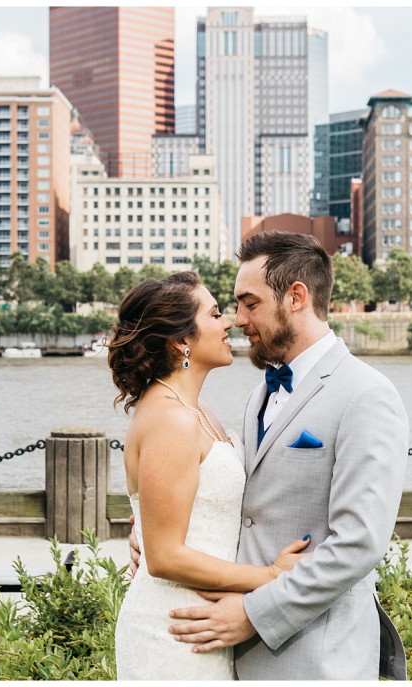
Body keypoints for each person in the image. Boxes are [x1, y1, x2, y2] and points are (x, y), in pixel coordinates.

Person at [135, 232, 410, 680]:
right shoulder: (257, 395)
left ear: (296, 297)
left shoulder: (367, 394)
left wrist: (254, 613)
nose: (239, 319)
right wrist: (147, 525)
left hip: (316, 658)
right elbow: (224, 489)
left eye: (249, 303)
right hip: (225, 655)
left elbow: (359, 542)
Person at [108, 270, 310, 680]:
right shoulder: (171, 419)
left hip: (205, 623)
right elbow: (164, 557)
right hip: (174, 630)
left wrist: (141, 527)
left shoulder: (197, 411)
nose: (229, 323)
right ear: (181, 340)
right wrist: (269, 577)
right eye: (216, 313)